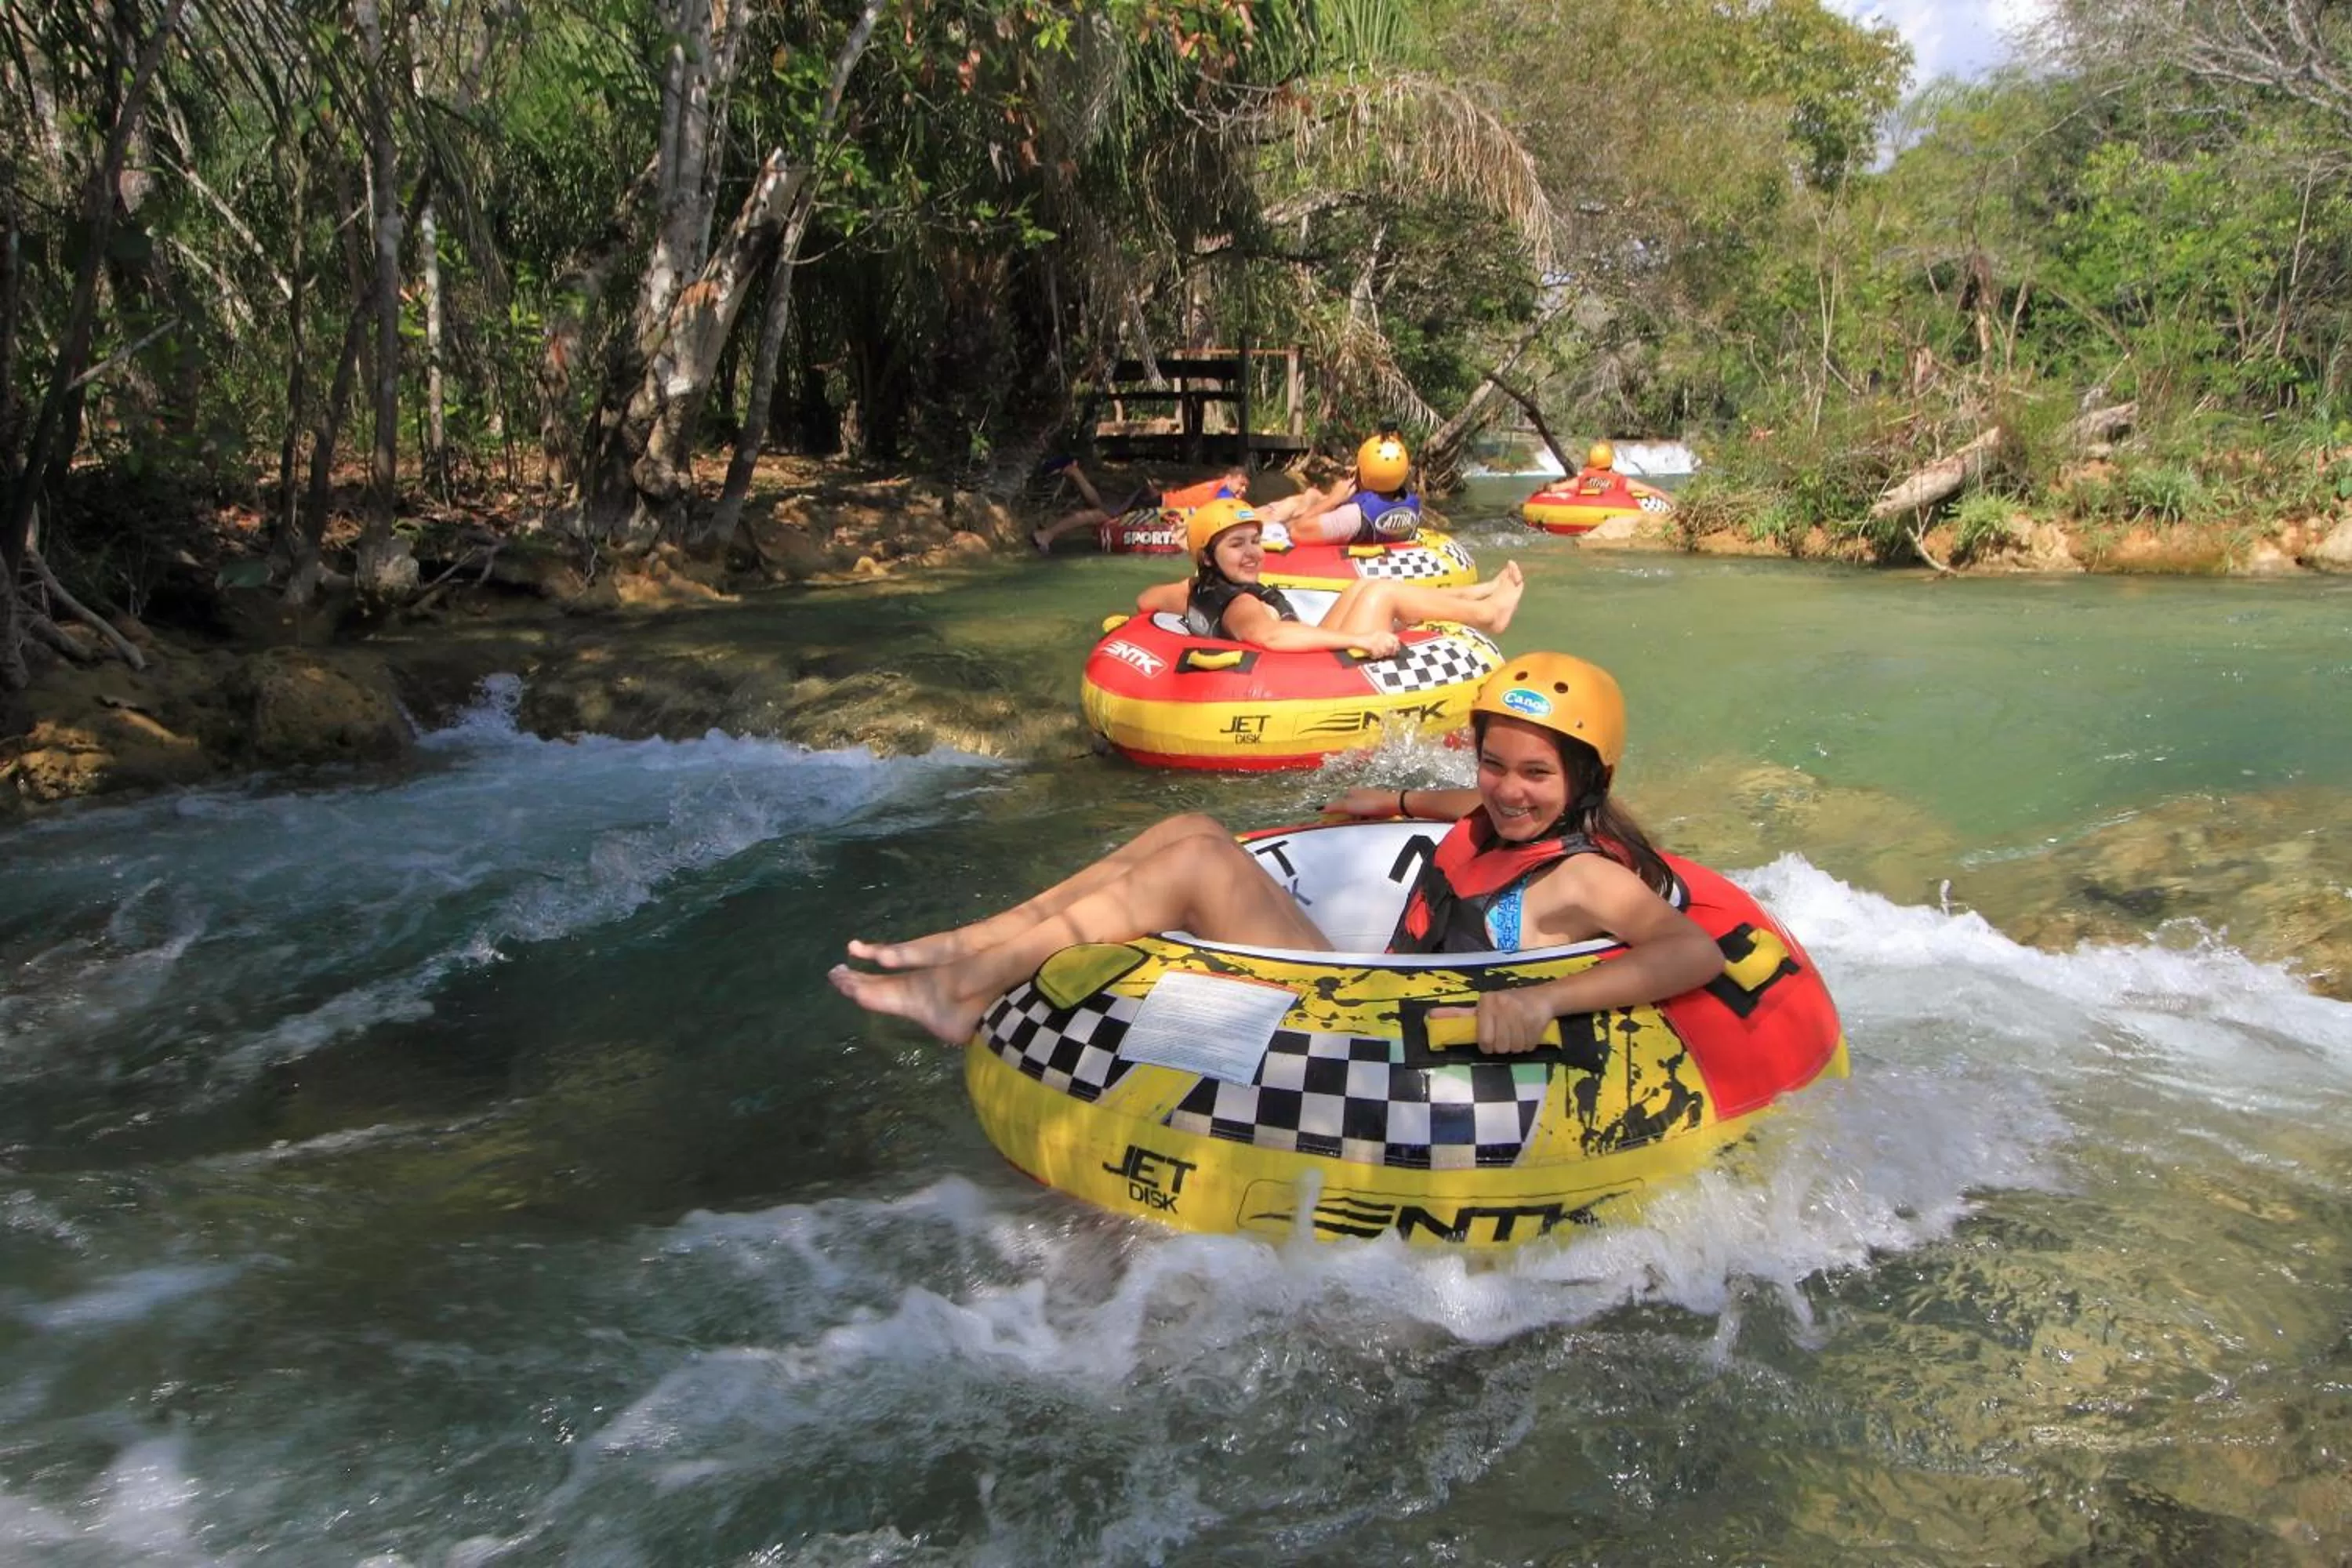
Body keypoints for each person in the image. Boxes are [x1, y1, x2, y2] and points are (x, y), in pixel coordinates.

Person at [829, 653, 1728, 1050]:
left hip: (1379, 1034)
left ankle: (958, 993)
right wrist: (1398, 800)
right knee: (1190, 829)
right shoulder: (1497, 814)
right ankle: (976, 943)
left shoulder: (1581, 875)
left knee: (1198, 865)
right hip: (1368, 985)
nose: (1508, 788)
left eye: (1536, 773)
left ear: (1588, 779)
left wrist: (1544, 1000)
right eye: (1494, 763)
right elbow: (1473, 803)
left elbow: (1694, 951)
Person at [1133, 497, 1523, 661]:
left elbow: (1146, 600)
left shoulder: (1196, 588)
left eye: (1255, 541)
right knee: (1379, 594)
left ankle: (1472, 593)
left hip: (1300, 658)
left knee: (1361, 588)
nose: (1253, 553)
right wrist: (1360, 640)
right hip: (1304, 676)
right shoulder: (1241, 603)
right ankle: (1488, 615)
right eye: (1237, 545)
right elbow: (1270, 637)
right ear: (1207, 556)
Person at [1029, 462, 1250, 555]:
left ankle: (1074, 472)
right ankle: (1046, 535)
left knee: (1101, 510)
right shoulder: (1223, 491)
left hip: (1153, 499)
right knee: (1101, 515)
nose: (1243, 491)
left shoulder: (1220, 488)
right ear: (1229, 478)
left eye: (1246, 488)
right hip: (1153, 503)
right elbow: (1227, 511)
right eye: (1240, 485)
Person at [1253, 431, 1423, 546]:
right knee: (1311, 496)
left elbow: (1297, 532)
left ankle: (1247, 517)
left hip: (1292, 530)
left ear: (1364, 473)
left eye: (1358, 467)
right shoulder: (1411, 503)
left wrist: (1333, 500)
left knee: (1292, 510)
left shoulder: (1353, 516)